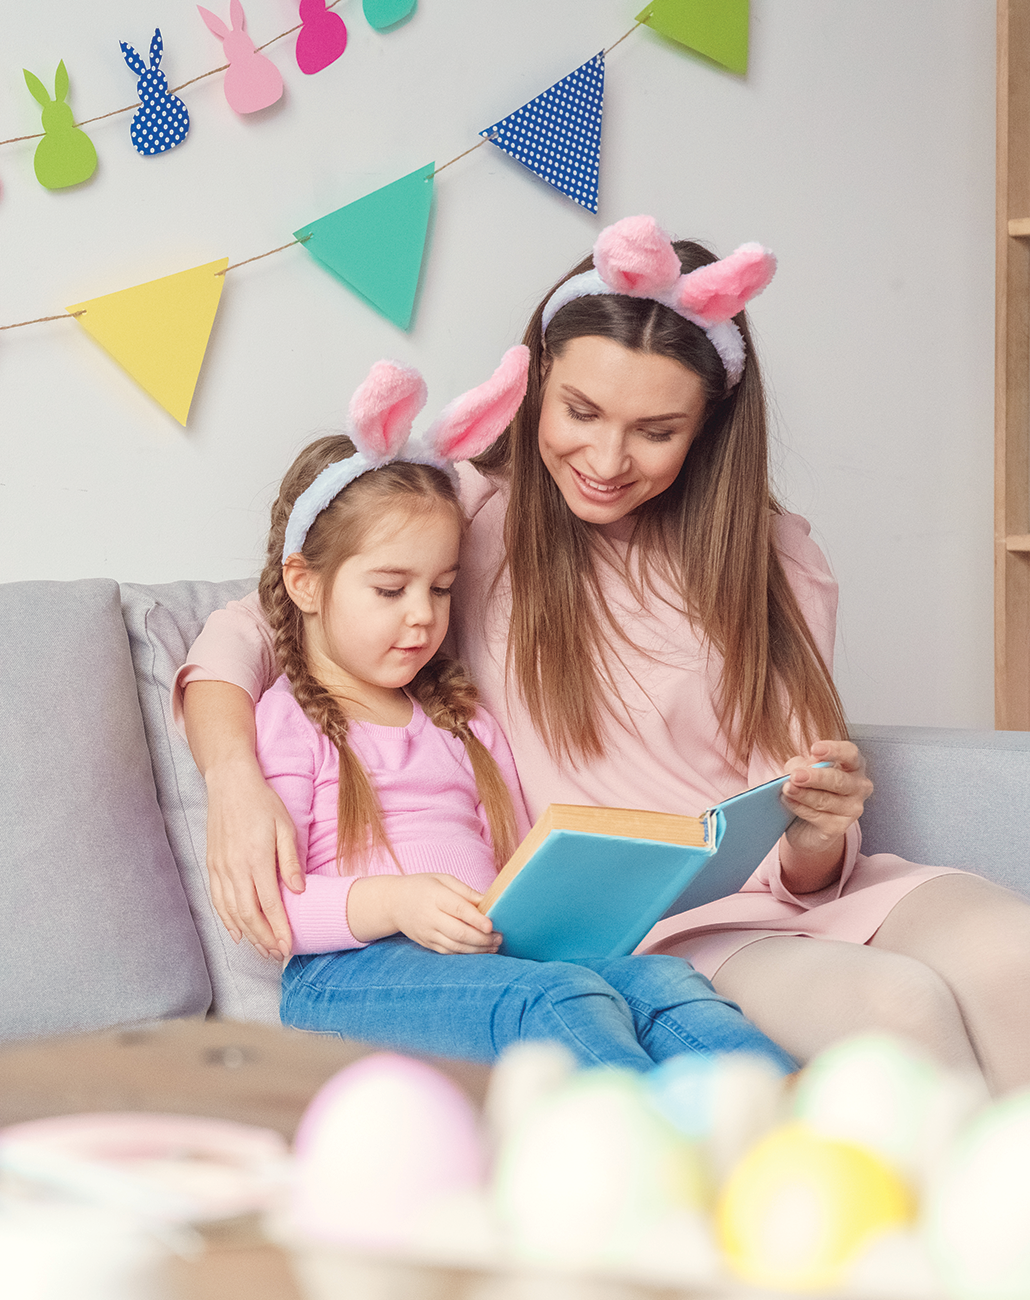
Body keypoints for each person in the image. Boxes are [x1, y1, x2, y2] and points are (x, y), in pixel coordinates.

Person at [179, 217, 1030, 1094]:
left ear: (707, 427)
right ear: (534, 382)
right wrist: (232, 776)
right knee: (897, 1006)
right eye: (579, 410)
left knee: (1018, 950)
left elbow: (806, 828)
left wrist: (821, 829)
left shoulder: (775, 557)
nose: (606, 459)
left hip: (799, 894)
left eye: (656, 431)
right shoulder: (468, 518)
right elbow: (256, 621)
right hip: (654, 932)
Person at [248, 355, 794, 1071]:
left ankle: (784, 1128)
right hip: (345, 976)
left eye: (441, 589)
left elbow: (509, 865)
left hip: (485, 960)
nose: (422, 618)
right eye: (390, 590)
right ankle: (652, 1158)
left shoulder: (460, 721)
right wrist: (392, 904)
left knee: (659, 981)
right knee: (557, 999)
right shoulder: (288, 722)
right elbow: (269, 913)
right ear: (304, 583)